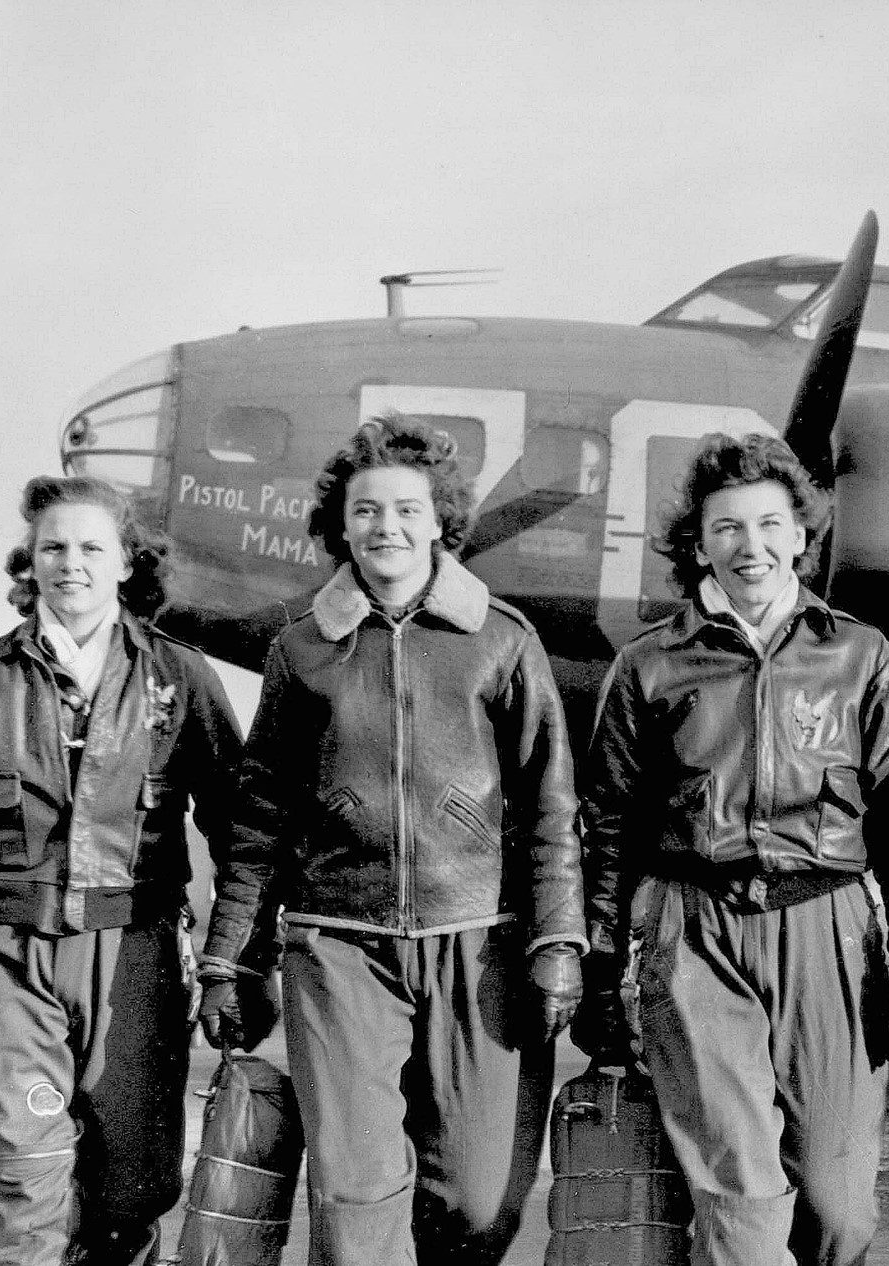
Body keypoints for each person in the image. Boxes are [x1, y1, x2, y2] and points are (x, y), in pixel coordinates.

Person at [197, 413, 585, 1266]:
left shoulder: (504, 641)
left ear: (442, 519)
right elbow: (258, 820)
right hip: (339, 948)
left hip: (479, 940)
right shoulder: (301, 651)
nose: (388, 528)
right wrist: (229, 958)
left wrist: (559, 939)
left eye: (408, 509)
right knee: (355, 1191)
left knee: (480, 1204)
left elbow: (551, 806)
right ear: (340, 524)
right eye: (367, 511)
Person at [578, 431, 889, 1266]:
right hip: (694, 931)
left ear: (802, 535)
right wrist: (603, 971)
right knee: (741, 1199)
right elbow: (605, 829)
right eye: (728, 527)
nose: (752, 547)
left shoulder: (861, 656)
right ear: (697, 543)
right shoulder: (649, 666)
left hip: (831, 931)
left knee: (838, 1211)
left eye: (771, 524)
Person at [0, 474, 244, 1266]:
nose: (70, 563)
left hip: (136, 957)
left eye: (91, 547)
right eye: (53, 547)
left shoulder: (181, 680)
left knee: (133, 1189)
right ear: (31, 563)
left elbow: (239, 834)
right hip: (1, 955)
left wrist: (233, 965)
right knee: (25, 1179)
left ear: (126, 564)